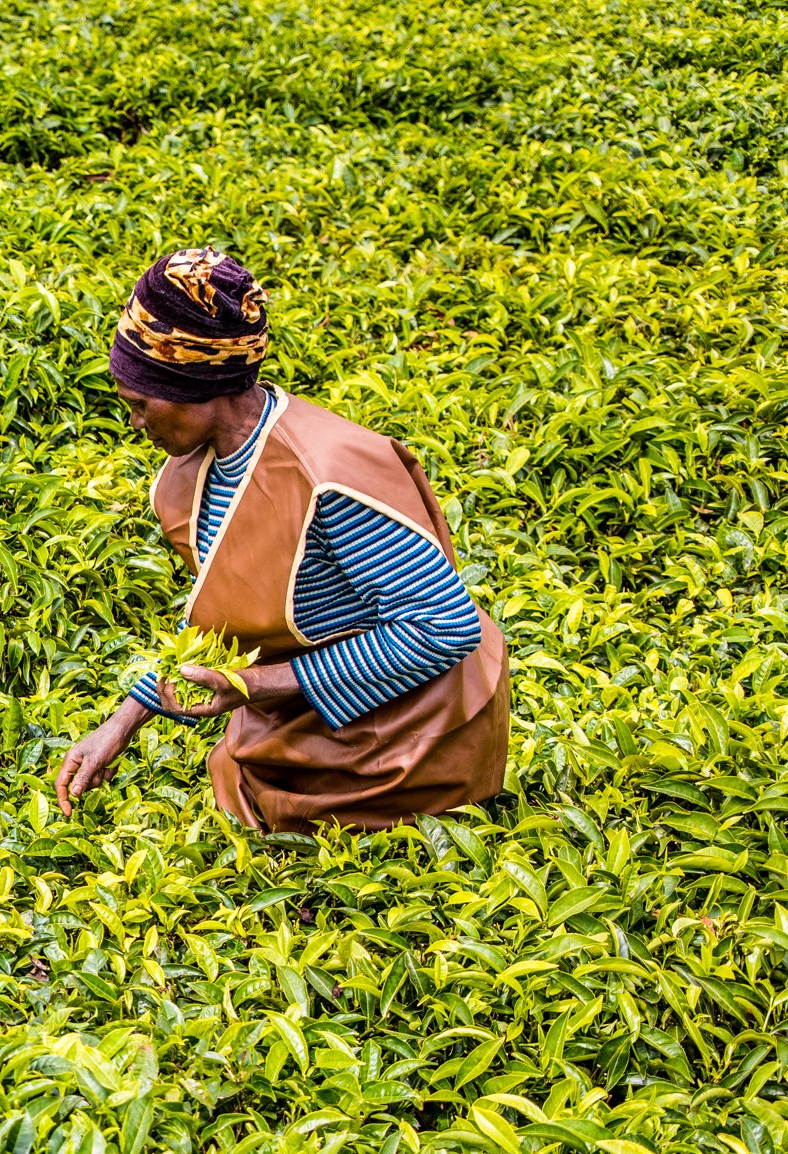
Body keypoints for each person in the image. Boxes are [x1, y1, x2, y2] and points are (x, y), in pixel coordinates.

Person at [54, 247, 509, 833]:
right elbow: (232, 611)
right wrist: (120, 723)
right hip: (296, 724)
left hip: (406, 744)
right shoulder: (197, 468)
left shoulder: (326, 476)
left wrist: (255, 686)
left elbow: (441, 629)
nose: (136, 423)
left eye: (141, 404)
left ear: (196, 387)